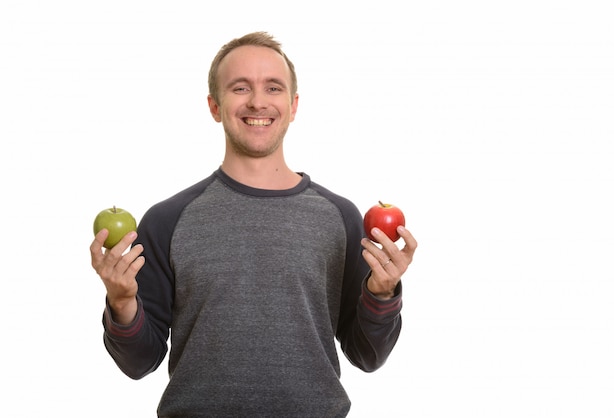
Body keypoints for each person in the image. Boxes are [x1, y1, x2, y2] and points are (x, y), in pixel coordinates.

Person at [90, 31, 418, 417]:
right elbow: (138, 363)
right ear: (214, 105)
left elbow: (367, 355)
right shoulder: (167, 221)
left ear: (294, 105)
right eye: (240, 87)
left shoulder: (340, 218)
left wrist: (382, 294)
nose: (258, 101)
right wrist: (122, 302)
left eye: (273, 88)